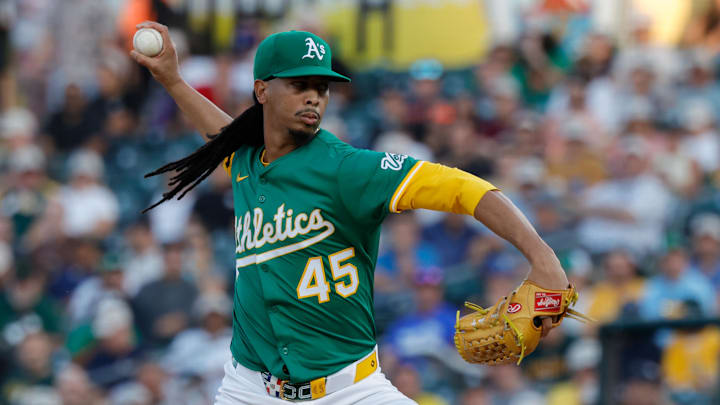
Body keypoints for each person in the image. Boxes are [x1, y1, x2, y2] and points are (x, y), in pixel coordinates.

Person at [130, 21, 570, 405]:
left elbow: (464, 189)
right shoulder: (245, 160)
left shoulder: (348, 168)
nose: (314, 98)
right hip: (248, 389)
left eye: (321, 88)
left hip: (348, 390)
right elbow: (219, 133)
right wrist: (172, 81)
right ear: (262, 90)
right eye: (299, 85)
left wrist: (543, 257)